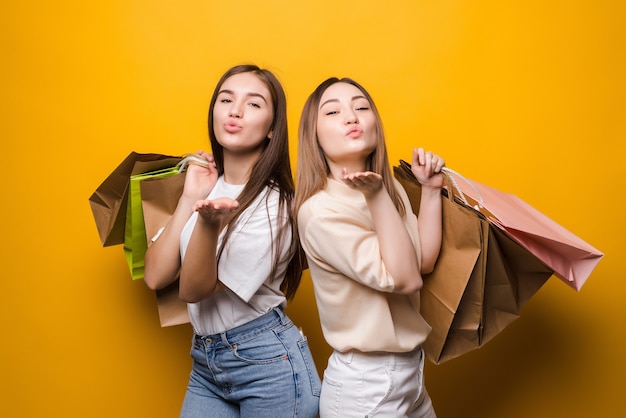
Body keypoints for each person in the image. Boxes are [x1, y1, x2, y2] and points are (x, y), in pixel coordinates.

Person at [143, 64, 321, 418]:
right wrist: (186, 200)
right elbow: (155, 277)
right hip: (207, 361)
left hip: (268, 363)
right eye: (226, 99)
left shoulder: (276, 206)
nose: (235, 110)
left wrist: (208, 225)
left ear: (272, 129)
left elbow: (193, 290)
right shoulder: (206, 186)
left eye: (254, 104)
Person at [294, 77, 445, 418]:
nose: (352, 117)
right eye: (333, 112)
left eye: (362, 107)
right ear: (313, 136)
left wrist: (431, 190)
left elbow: (421, 261)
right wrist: (376, 197)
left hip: (409, 373)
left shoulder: (387, 186)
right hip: (366, 385)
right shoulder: (320, 212)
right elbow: (406, 280)